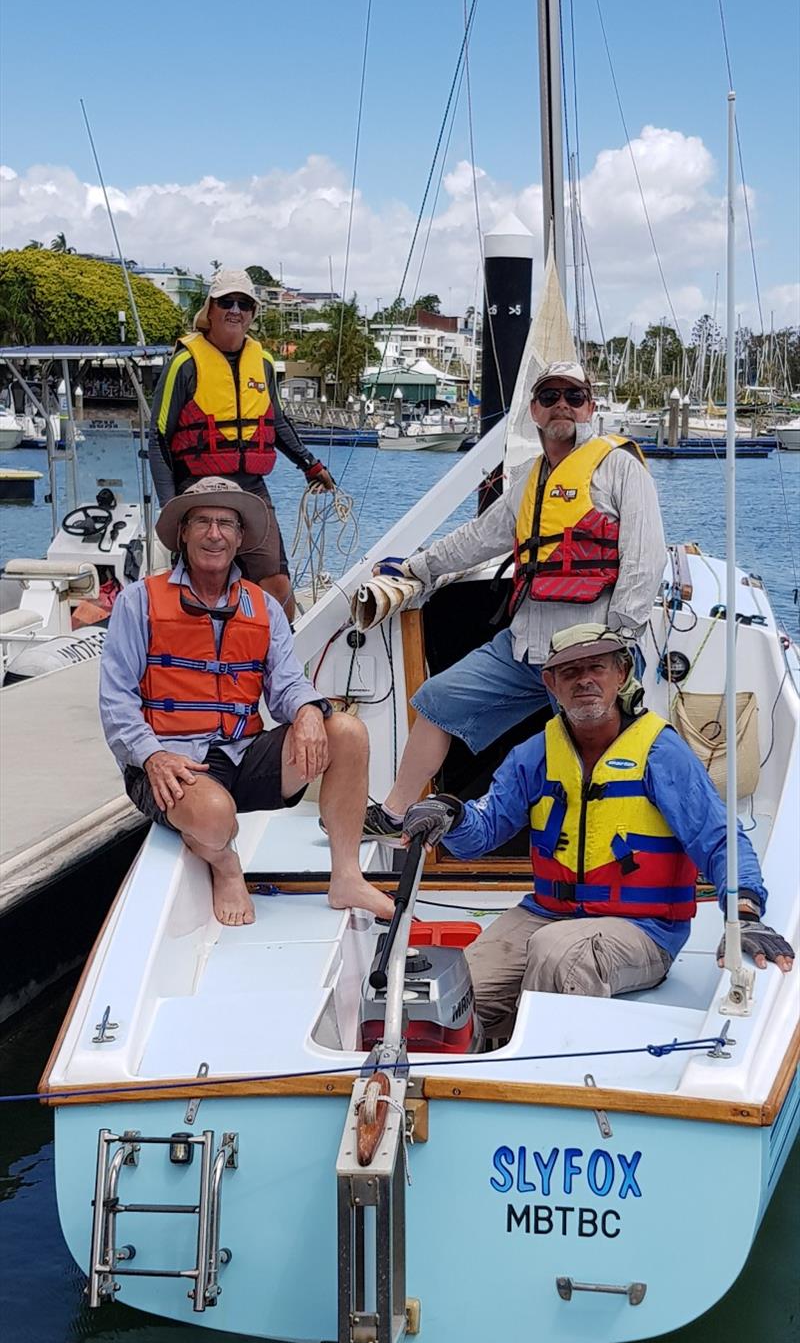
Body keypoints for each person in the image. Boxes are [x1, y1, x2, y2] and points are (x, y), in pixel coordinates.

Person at [402, 625, 794, 1039]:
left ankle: (548, 1076)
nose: (584, 679)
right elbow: (481, 834)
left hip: (644, 929)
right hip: (545, 914)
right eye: (569, 672)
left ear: (621, 674)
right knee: (453, 993)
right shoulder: (533, 755)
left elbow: (719, 839)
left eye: (596, 667)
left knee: (558, 955)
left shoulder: (661, 752)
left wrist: (745, 913)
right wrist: (450, 814)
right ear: (551, 684)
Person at [362, 361, 667, 837]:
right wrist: (417, 568)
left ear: (590, 406)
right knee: (437, 699)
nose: (561, 404)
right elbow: (480, 538)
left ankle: (613, 842)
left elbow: (645, 559)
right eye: (549, 397)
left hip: (592, 649)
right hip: (525, 645)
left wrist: (618, 642)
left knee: (600, 752)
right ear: (534, 412)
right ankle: (396, 811)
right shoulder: (527, 480)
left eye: (573, 395)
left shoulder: (621, 469)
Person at [99, 479, 393, 928]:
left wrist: (309, 711)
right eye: (202, 521)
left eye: (225, 523)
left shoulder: (264, 607)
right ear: (183, 533)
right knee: (217, 817)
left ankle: (346, 876)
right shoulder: (139, 602)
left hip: (241, 754)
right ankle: (225, 864)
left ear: (239, 537)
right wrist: (152, 756)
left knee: (347, 733)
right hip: (169, 764)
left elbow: (287, 683)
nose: (213, 533)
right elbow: (116, 699)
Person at [149, 268, 336, 622]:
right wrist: (169, 506)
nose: (235, 310)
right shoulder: (185, 363)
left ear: (252, 313)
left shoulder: (262, 362)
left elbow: (275, 421)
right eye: (226, 302)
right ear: (211, 309)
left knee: (277, 586)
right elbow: (158, 437)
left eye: (244, 304)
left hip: (250, 487)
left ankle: (278, 665)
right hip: (198, 486)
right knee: (205, 585)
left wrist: (310, 465)